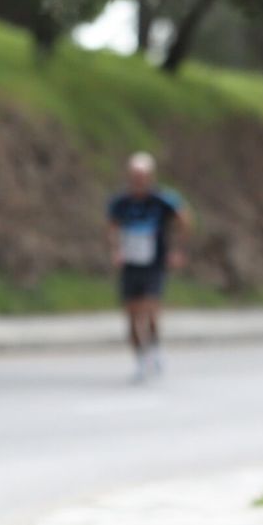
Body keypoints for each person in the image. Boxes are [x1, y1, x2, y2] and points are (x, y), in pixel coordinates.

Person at [106, 152, 191, 382]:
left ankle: (154, 348)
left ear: (150, 176)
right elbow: (111, 227)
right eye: (135, 175)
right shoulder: (121, 202)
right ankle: (141, 359)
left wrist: (177, 250)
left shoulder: (163, 199)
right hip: (131, 263)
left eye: (142, 176)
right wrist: (115, 250)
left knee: (150, 311)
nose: (138, 180)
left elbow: (184, 219)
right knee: (132, 315)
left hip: (154, 263)